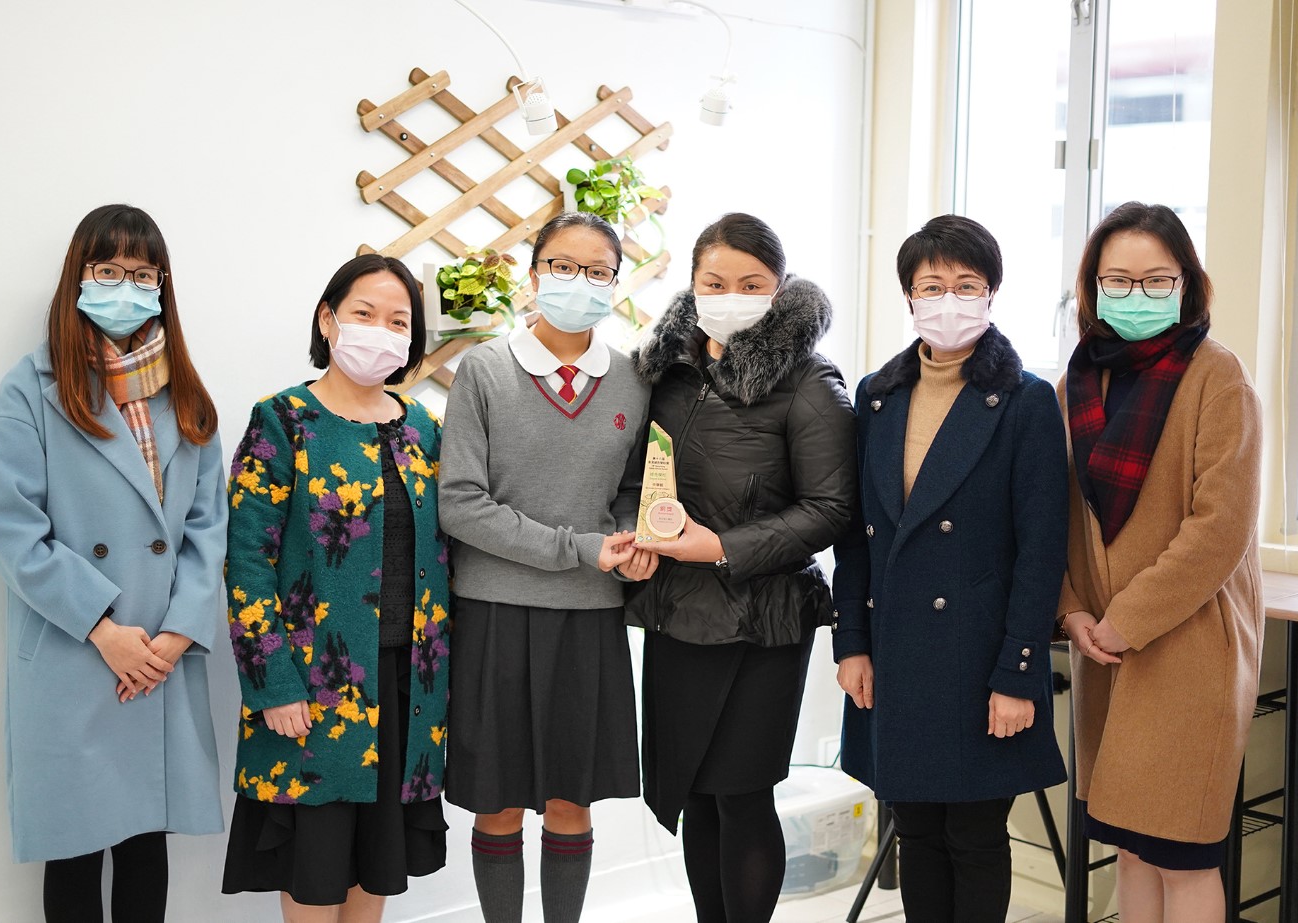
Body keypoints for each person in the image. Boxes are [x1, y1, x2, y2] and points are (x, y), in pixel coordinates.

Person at [0, 204, 225, 922]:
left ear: (162, 286)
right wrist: (105, 629)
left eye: (142, 275)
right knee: (75, 848)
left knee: (148, 843)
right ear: (78, 278)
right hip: (78, 649)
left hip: (160, 655)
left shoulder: (185, 392)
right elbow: (13, 529)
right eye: (108, 270)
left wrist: (177, 633)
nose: (125, 287)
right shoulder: (31, 389)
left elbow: (208, 526)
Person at [832, 215, 1068, 922]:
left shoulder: (1025, 399)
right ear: (909, 295)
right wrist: (851, 643)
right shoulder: (876, 395)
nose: (948, 300)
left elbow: (1041, 550)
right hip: (895, 650)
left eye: (966, 285)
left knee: (973, 833)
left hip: (980, 655)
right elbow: (856, 535)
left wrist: (1018, 674)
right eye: (932, 286)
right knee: (917, 831)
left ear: (991, 292)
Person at [627, 212, 856, 923]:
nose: (731, 296)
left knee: (743, 794)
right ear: (692, 283)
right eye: (715, 281)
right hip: (676, 615)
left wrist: (723, 548)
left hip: (763, 622)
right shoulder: (666, 372)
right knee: (694, 792)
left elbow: (832, 508)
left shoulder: (810, 380)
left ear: (780, 287)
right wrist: (632, 534)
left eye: (752, 284)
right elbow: (635, 478)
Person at [438, 211, 653, 923]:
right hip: (493, 614)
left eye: (597, 271)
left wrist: (630, 539)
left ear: (615, 284)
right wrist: (579, 549)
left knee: (571, 800)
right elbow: (460, 504)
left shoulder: (632, 380)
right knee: (497, 804)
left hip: (589, 618)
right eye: (563, 266)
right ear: (534, 275)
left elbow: (632, 490)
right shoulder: (485, 370)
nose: (578, 282)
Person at [220, 253, 449, 923]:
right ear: (328, 319)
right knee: (315, 870)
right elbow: (247, 560)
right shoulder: (282, 420)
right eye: (364, 313)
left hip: (407, 687)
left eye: (399, 321)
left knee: (378, 864)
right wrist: (273, 685)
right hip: (312, 687)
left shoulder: (423, 427)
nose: (382, 330)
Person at [1058, 202, 1263, 923]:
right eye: (1118, 279)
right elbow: (1060, 516)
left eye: (1155, 280)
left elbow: (1221, 530)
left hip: (1188, 645)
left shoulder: (1218, 375)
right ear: (1093, 286)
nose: (1135, 294)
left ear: (1187, 283)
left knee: (1184, 854)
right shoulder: (1078, 381)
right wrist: (1074, 610)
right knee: (1130, 845)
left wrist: (1127, 619)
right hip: (1102, 647)